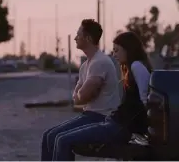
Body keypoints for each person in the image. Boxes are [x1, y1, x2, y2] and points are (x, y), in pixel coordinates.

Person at [51, 31, 152, 161]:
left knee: (63, 140)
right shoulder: (130, 67)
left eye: (117, 50)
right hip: (115, 123)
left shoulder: (136, 66)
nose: (114, 54)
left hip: (120, 127)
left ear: (128, 49)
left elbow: (146, 100)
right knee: (60, 138)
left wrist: (144, 131)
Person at [41, 19, 121, 161]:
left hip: (102, 118)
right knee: (48, 135)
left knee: (61, 139)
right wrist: (82, 93)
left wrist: (82, 93)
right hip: (88, 115)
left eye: (78, 34)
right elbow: (77, 99)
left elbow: (82, 97)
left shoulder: (100, 62)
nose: (75, 38)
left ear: (88, 38)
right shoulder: (86, 65)